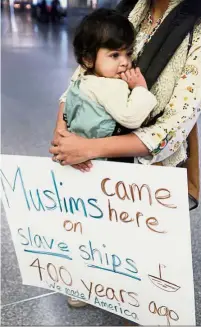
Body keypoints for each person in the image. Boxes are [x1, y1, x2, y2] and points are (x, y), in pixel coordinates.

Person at [49, 0, 201, 309]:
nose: (123, 60)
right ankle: (97, 281)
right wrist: (62, 132)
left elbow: (175, 125)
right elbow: (81, 77)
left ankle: (141, 299)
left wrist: (90, 148)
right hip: (95, 153)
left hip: (152, 159)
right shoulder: (127, 8)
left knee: (145, 240)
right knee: (97, 222)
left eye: (125, 53)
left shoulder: (195, 25)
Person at [62, 9, 157, 148]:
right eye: (115, 55)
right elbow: (130, 118)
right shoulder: (110, 86)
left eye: (128, 53)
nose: (125, 62)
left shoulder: (82, 82)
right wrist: (140, 88)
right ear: (88, 60)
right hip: (100, 160)